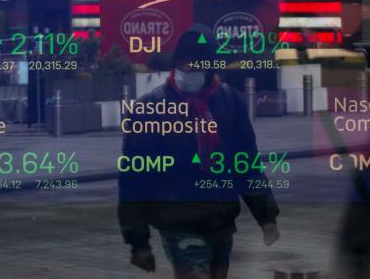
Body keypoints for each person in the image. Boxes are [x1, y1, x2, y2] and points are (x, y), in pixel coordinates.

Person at [118, 25, 280, 279]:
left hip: (221, 223)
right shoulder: (150, 108)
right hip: (178, 223)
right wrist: (138, 241)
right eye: (183, 62)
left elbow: (246, 163)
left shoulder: (229, 102)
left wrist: (266, 215)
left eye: (197, 63)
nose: (189, 69)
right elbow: (134, 178)